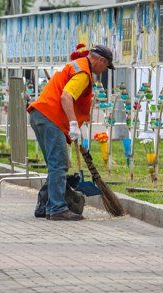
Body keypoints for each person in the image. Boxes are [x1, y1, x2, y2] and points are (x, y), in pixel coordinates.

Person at [26, 45, 114, 221]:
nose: (104, 70)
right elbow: (66, 96)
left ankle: (46, 206)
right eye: (106, 67)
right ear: (101, 60)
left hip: (40, 115)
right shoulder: (83, 73)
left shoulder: (77, 65)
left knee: (55, 164)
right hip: (51, 117)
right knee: (59, 164)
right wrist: (73, 124)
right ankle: (57, 208)